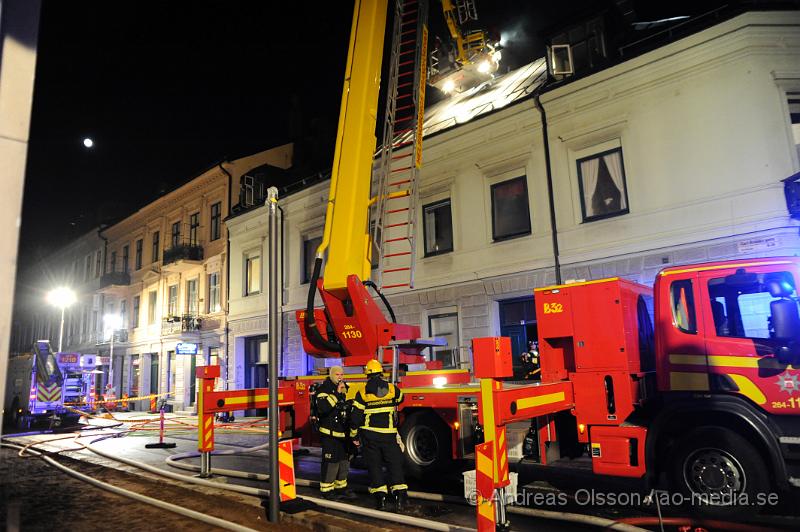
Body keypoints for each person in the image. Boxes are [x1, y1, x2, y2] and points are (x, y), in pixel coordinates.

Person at [350, 359, 407, 511]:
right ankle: (400, 497)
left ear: (367, 373)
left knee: (374, 466)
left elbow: (355, 417)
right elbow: (401, 398)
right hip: (389, 434)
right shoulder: (392, 388)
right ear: (381, 372)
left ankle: (381, 499)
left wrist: (354, 435)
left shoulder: (362, 392)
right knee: (394, 465)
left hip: (370, 436)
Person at [315, 365, 357, 500]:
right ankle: (327, 490)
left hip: (342, 433)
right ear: (332, 375)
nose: (340, 377)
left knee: (344, 460)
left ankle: (341, 487)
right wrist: (337, 394)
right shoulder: (324, 389)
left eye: (342, 375)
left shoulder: (344, 388)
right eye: (338, 375)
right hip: (329, 433)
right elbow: (323, 408)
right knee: (331, 461)